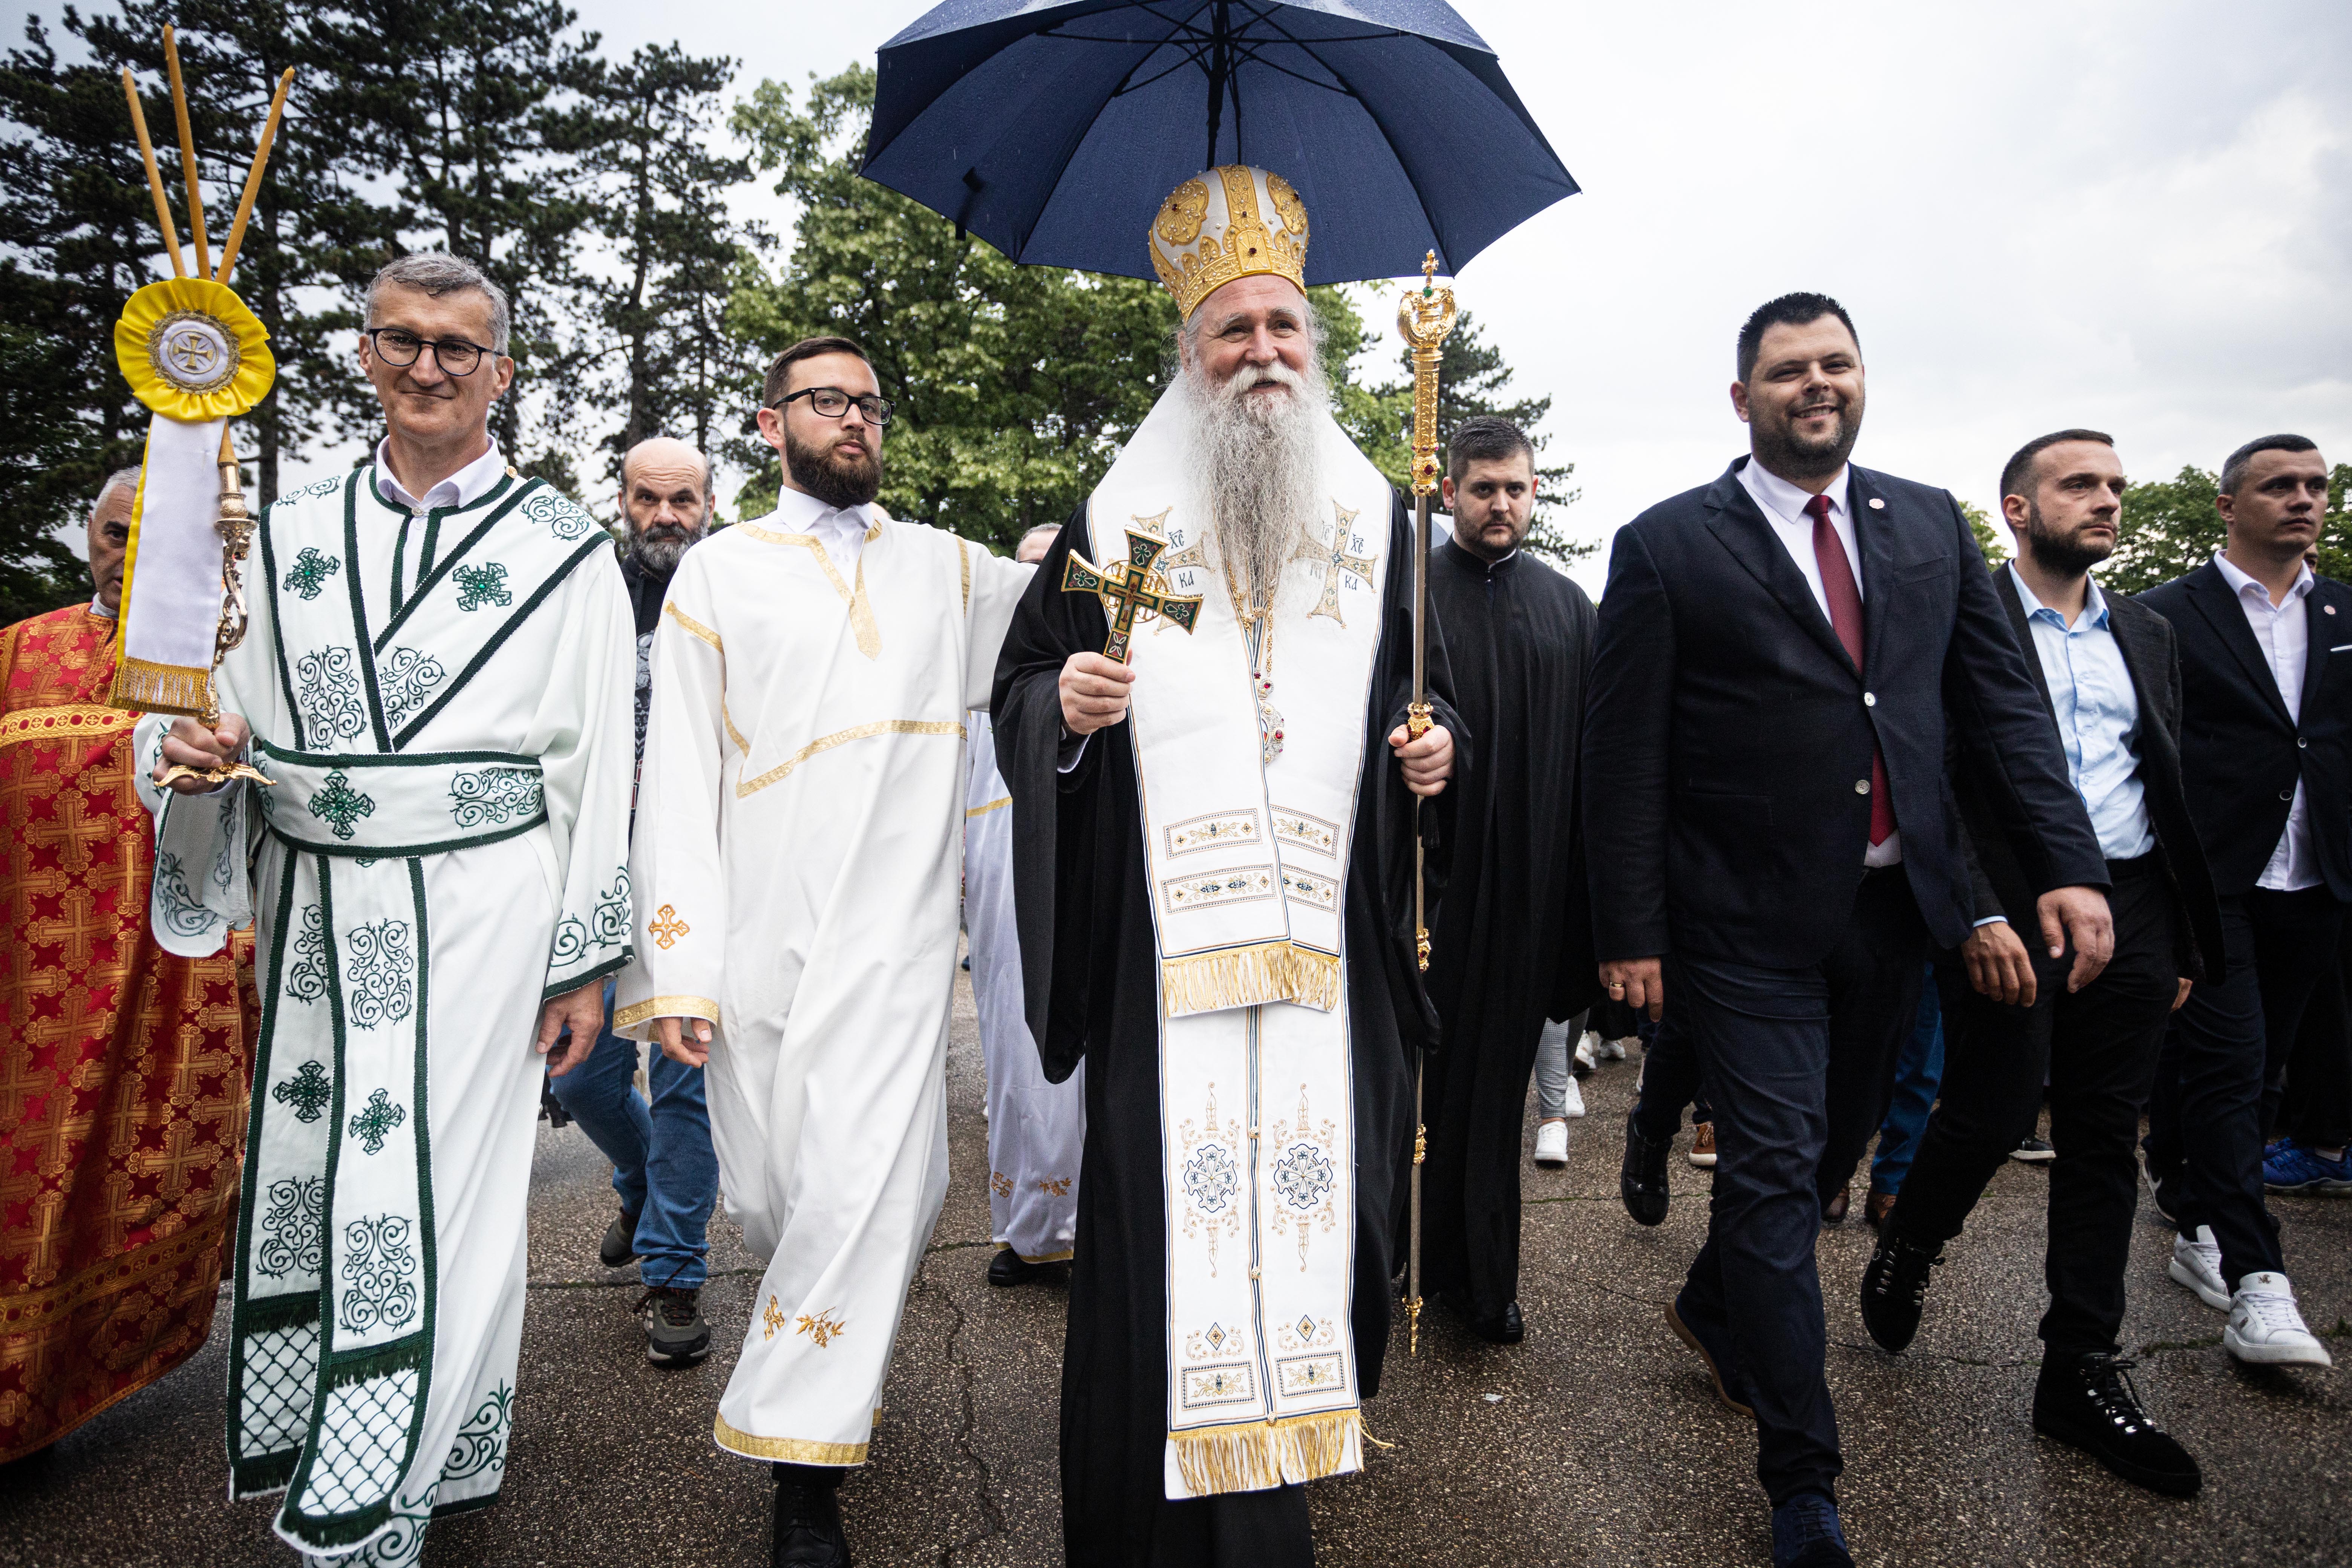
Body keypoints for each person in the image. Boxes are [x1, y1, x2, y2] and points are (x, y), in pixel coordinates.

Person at [1583, 292, 2111, 1567]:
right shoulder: (1667, 546)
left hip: (1895, 917)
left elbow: (1998, 716)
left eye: (1836, 364)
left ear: (1863, 379)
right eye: (1786, 370)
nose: (1815, 384)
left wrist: (2062, 868)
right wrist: (1630, 931)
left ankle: (1718, 1306)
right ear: (1742, 397)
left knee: (1824, 1162)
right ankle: (1802, 1481)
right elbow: (1623, 756)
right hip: (1740, 927)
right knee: (1774, 1183)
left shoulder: (1927, 523)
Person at [991, 164, 1456, 1567]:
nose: (1262, 352)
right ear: (1189, 356)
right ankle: (1151, 1532)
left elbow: (1424, 695)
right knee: (1167, 1246)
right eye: (1232, 330)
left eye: (1284, 329)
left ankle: (1279, 1491)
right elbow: (1022, 682)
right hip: (1164, 958)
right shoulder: (1120, 515)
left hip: (1329, 949)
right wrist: (1062, 710)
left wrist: (1438, 750)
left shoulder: (1379, 523)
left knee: (1328, 1218)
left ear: (1316, 348)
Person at [140, 251, 635, 1566]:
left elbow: (598, 764)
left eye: (457, 348)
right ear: (364, 353)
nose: (428, 366)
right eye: (403, 339)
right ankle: (358, 1444)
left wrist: (585, 964)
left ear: (502, 376)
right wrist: (185, 760)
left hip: (486, 909)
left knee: (443, 1190)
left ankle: (383, 1495)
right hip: (310, 912)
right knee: (319, 1172)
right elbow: (202, 717)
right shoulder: (281, 535)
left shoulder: (563, 550)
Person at [615, 335, 1035, 1568]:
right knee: (775, 1194)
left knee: (871, 1188)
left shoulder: (946, 573)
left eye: (868, 403)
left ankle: (801, 1473)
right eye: (826, 401)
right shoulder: (720, 575)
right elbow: (679, 781)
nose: (853, 419)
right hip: (754, 944)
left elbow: (1088, 603)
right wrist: (676, 969)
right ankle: (836, 1356)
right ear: (770, 423)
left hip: (898, 953)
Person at [1857, 429, 2222, 1495]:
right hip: (2012, 903)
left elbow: (2168, 783)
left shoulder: (2145, 634)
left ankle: (2080, 1371)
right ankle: (1911, 1245)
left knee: (2108, 1131)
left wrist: (2181, 940)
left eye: (2115, 485)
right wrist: (1971, 910)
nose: (2106, 501)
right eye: (2081, 485)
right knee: (1990, 1106)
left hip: (2137, 899)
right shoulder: (1967, 624)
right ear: (2017, 509)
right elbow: (1933, 772)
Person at [0, 471, 259, 1464]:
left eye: (152, 538)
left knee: (131, 1188)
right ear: (89, 539)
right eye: (115, 532)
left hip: (163, 983)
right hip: (27, 977)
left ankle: (60, 1386)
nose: (127, 551)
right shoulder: (23, 650)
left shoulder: (215, 667)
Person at [2139, 433, 2344, 1367]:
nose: (2301, 500)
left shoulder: (2343, 609)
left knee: (2256, 1069)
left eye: (2315, 485)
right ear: (2230, 505)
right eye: (2279, 486)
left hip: (2317, 877)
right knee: (2233, 1066)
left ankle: (2190, 1205)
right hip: (2212, 880)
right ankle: (2261, 1283)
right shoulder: (2164, 616)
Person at [1417, 415, 1597, 1343]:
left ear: (1535, 494)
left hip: (1530, 890)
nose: (1500, 503)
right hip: (1430, 892)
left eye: (1515, 488)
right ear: (1449, 491)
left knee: (1494, 1093)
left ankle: (1484, 1280)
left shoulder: (1571, 608)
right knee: (1424, 1084)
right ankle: (1405, 1259)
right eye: (1482, 487)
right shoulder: (1406, 602)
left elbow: (1598, 764)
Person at [545, 437, 722, 1367]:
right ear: (622, 500)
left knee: (685, 1077)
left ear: (707, 502)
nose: (665, 516)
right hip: (599, 867)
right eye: (648, 500)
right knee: (579, 1073)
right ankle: (639, 1180)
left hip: (699, 868)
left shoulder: (735, 588)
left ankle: (674, 1272)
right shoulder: (586, 596)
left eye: (682, 500)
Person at [972, 520, 1086, 1286]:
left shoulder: (1091, 661)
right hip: (994, 861)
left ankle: (1090, 1223)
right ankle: (1028, 1228)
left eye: (1049, 572)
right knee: (1012, 1050)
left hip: (1072, 849)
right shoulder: (985, 666)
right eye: (1024, 569)